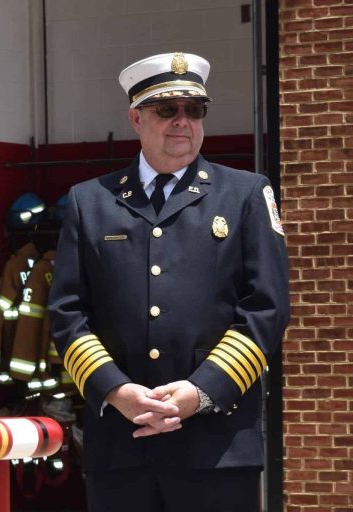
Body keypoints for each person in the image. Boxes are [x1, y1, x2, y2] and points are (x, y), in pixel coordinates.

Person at [48, 52, 290, 512]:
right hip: (120, 444)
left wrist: (200, 392)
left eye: (194, 110)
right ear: (136, 118)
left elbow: (266, 307)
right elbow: (67, 312)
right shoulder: (89, 201)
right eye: (166, 109)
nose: (182, 121)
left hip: (217, 444)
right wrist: (115, 390)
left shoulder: (244, 193)